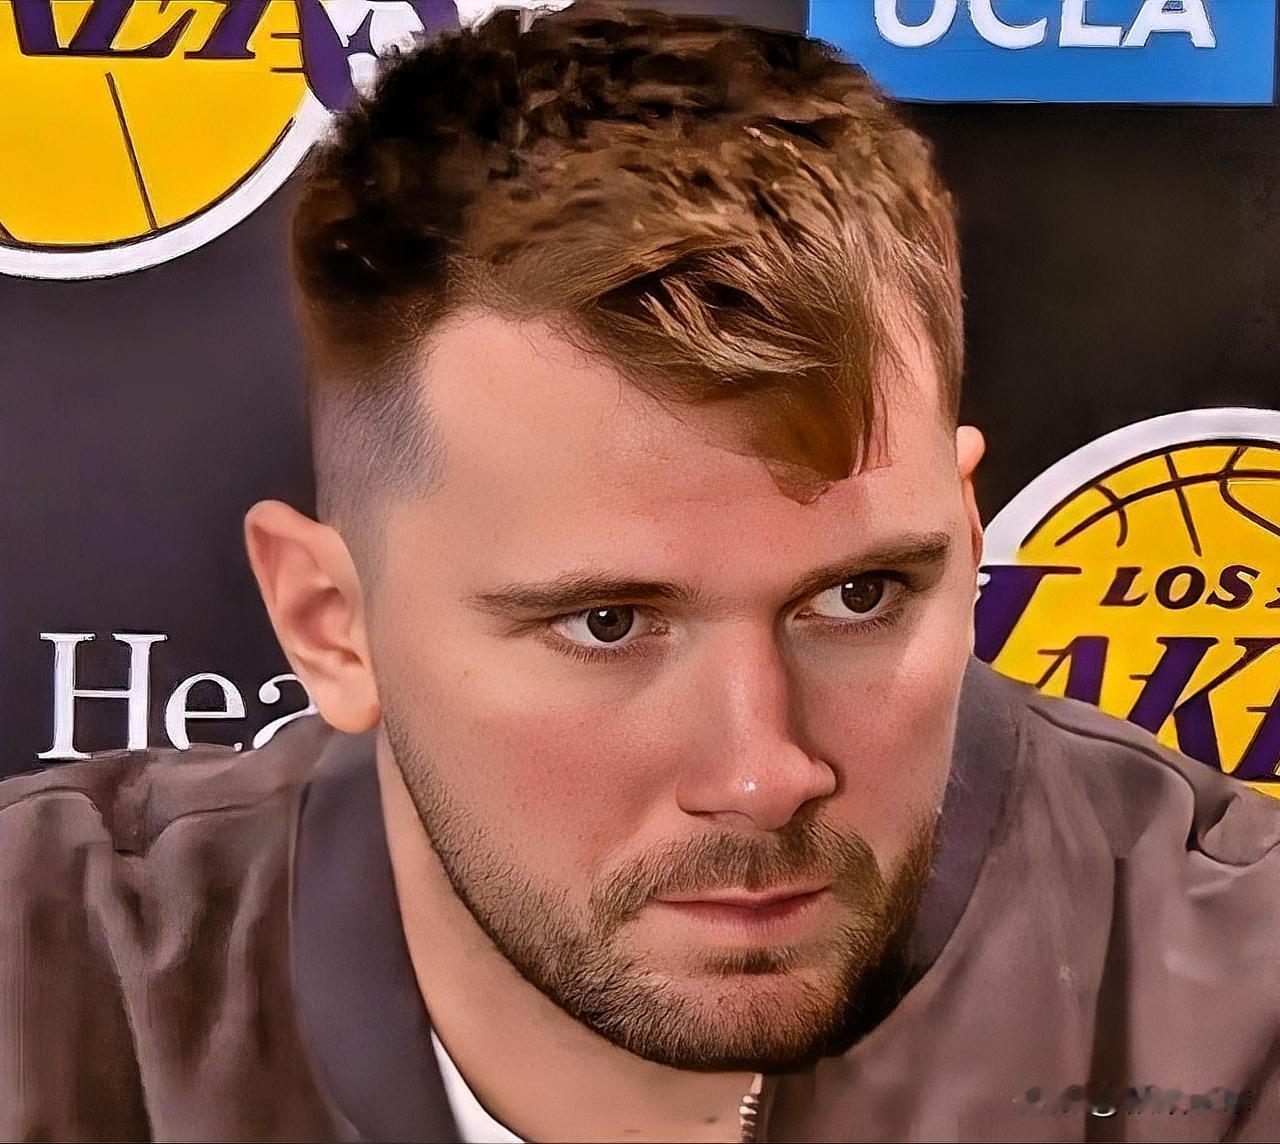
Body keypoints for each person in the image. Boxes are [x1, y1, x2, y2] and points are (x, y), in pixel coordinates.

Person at [2, 4, 1278, 1141]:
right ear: (332, 624)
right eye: (608, 622)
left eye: (858, 596)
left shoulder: (1236, 996)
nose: (763, 774)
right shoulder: (40, 982)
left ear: (965, 528)